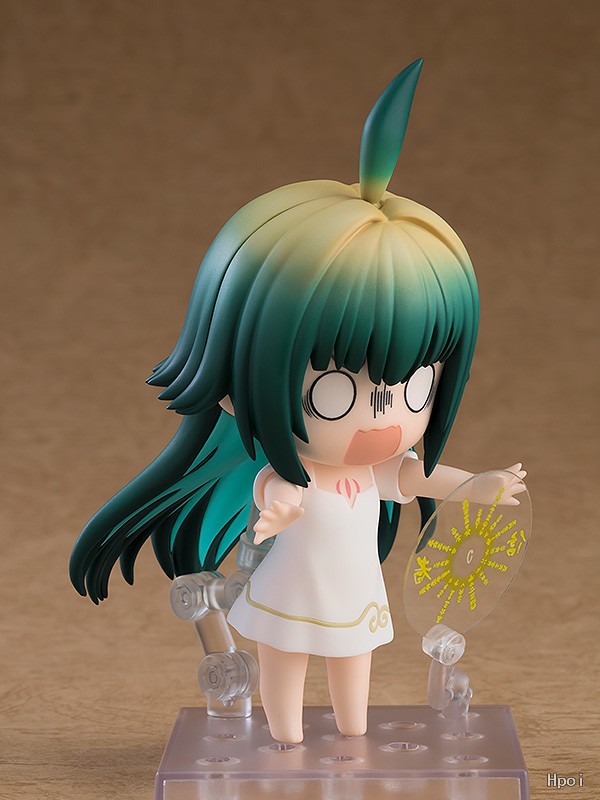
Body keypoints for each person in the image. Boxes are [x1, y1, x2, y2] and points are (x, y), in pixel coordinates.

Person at [70, 60, 525, 744]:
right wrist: (276, 510)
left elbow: (412, 476)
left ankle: (352, 736)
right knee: (285, 664)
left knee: (352, 666)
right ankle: (284, 740)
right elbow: (275, 492)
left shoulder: (372, 471)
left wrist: (478, 485)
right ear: (239, 379)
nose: (385, 418)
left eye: (415, 387)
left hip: (351, 595)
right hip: (289, 590)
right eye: (335, 393)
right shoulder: (296, 474)